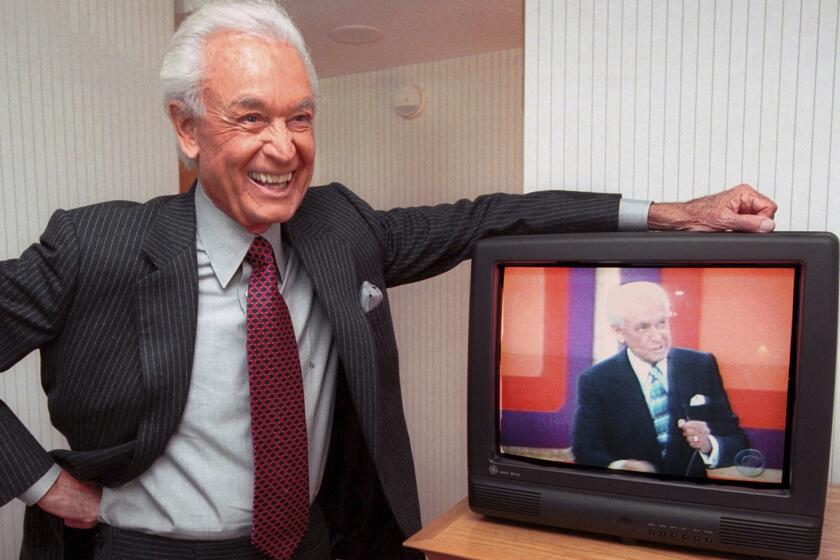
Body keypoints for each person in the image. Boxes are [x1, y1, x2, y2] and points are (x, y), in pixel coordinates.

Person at [0, 2, 776, 559]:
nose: (283, 147)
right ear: (186, 127)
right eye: (250, 118)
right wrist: (44, 486)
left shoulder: (339, 228)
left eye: (300, 117)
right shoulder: (95, 245)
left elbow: (489, 219)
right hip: (148, 549)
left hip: (312, 542)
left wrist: (669, 215)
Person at [572, 281, 748, 478]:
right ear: (618, 332)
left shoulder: (701, 365)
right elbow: (585, 450)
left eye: (662, 323)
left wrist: (709, 445)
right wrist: (620, 467)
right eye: (643, 328)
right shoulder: (596, 380)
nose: (658, 337)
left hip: (691, 498)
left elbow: (738, 441)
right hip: (629, 497)